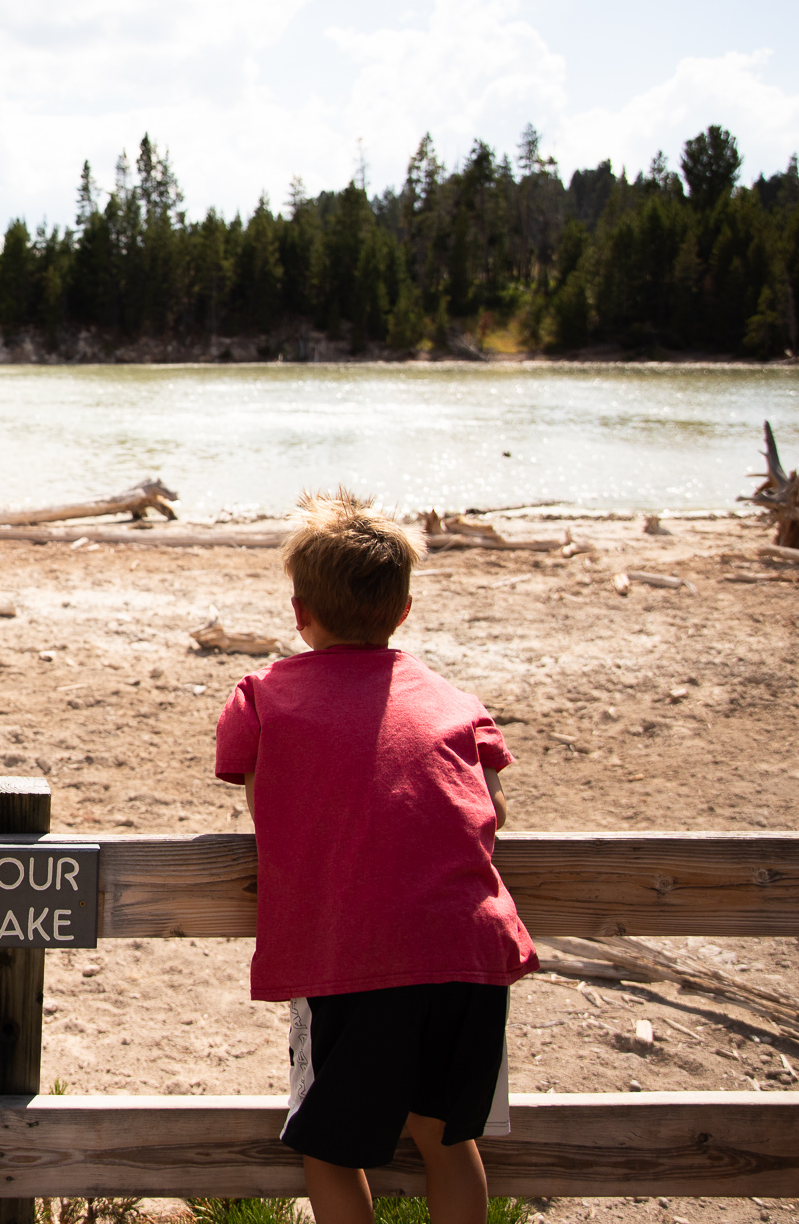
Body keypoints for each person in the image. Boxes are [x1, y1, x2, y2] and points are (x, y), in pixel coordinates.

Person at [211, 490, 537, 1224]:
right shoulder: (455, 700)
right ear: (404, 610)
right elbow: (492, 810)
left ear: (300, 612)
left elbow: (268, 812)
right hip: (469, 949)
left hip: (357, 954)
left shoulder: (264, 696)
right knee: (447, 1139)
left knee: (331, 1150)